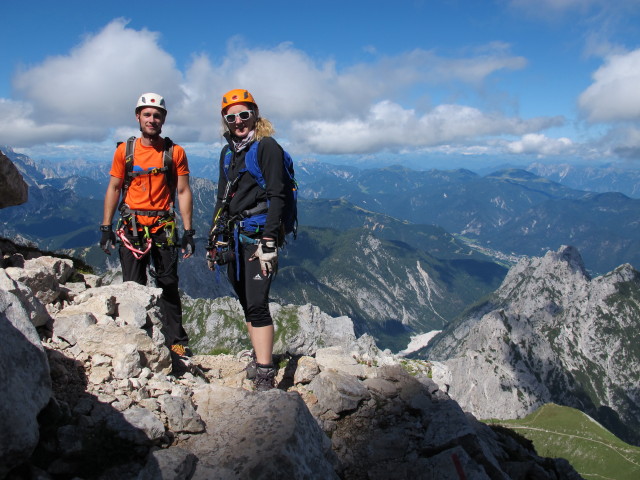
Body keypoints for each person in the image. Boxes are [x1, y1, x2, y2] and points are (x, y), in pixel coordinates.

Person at [100, 92, 195, 361]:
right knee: (133, 286)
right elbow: (114, 187)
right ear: (138, 117)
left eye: (157, 115)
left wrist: (188, 231)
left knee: (168, 284)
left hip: (163, 226)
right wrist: (105, 226)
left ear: (163, 118)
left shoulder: (175, 152)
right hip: (132, 226)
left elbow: (184, 191)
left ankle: (177, 342)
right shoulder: (124, 151)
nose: (152, 119)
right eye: (147, 114)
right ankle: (136, 335)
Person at [207, 88, 287, 391]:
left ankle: (266, 373)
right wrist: (213, 239)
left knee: (257, 304)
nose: (239, 121)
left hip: (256, 236)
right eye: (232, 117)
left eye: (244, 114)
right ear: (225, 121)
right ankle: (259, 357)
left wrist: (269, 241)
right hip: (232, 236)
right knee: (245, 302)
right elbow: (221, 197)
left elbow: (277, 195)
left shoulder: (267, 147)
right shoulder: (228, 152)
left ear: (255, 114)